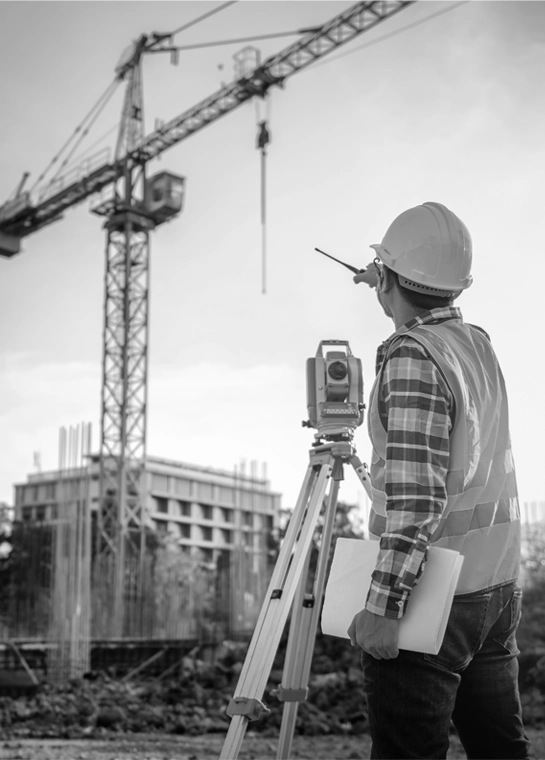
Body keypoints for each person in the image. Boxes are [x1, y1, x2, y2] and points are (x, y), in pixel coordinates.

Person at [347, 201, 536, 760]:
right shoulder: (476, 344)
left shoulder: (412, 358)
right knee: (501, 749)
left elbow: (416, 497)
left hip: (432, 596)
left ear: (389, 277)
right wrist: (387, 284)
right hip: (495, 589)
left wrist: (383, 609)